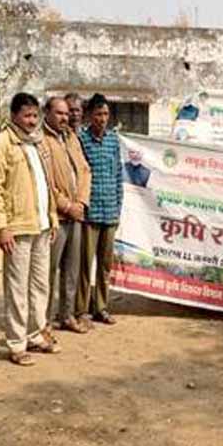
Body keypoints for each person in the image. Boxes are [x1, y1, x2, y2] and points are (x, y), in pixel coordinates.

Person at [0, 93, 60, 366]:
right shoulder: (1, 144)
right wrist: (2, 227)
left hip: (41, 224)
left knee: (40, 284)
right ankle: (17, 343)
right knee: (17, 287)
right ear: (14, 115)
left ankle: (35, 333)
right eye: (27, 116)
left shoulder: (37, 142)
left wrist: (52, 217)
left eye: (35, 116)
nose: (31, 121)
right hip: (17, 227)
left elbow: (47, 184)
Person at [41, 96, 93, 335]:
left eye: (66, 113)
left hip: (76, 215)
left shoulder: (71, 138)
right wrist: (66, 205)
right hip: (57, 217)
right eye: (59, 113)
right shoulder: (42, 140)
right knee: (49, 271)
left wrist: (80, 202)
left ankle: (67, 315)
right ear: (47, 113)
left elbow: (84, 171)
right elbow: (46, 181)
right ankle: (44, 320)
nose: (65, 117)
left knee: (72, 270)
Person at [78, 94, 124, 326]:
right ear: (90, 116)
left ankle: (101, 307)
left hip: (110, 212)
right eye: (98, 114)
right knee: (85, 265)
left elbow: (118, 174)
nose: (102, 119)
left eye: (105, 114)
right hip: (90, 214)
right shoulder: (81, 140)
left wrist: (118, 206)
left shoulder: (113, 140)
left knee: (105, 266)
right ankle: (81, 309)